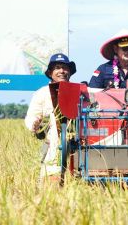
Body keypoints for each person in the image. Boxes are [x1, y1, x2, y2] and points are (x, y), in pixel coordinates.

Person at [25, 53, 76, 182]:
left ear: (69, 71)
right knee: (50, 180)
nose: (62, 71)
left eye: (65, 68)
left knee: (77, 178)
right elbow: (32, 116)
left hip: (76, 142)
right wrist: (36, 125)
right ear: (50, 72)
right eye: (57, 67)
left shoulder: (78, 90)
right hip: (51, 144)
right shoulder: (42, 93)